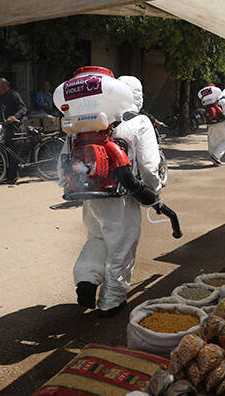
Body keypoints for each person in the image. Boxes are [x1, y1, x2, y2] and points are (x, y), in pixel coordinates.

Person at [72, 75, 162, 317]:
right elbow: (150, 167)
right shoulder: (140, 122)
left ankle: (86, 280)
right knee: (121, 247)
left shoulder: (91, 121)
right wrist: (153, 193)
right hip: (121, 198)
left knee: (96, 237)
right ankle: (111, 301)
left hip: (91, 194)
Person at [0, 78, 27, 183]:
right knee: (6, 152)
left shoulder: (13, 95)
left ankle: (12, 177)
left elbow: (23, 109)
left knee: (13, 153)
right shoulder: (1, 98)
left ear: (5, 86)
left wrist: (14, 116)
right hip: (6, 129)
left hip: (15, 128)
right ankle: (9, 176)